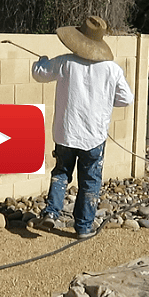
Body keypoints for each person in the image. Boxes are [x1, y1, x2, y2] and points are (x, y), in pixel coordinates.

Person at [31, 15, 134, 239]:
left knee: (61, 173)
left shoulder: (65, 62)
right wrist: (107, 102)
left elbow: (39, 74)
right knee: (90, 181)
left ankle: (51, 212)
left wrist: (41, 60)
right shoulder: (112, 70)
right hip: (94, 136)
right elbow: (126, 99)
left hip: (66, 133)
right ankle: (84, 227)